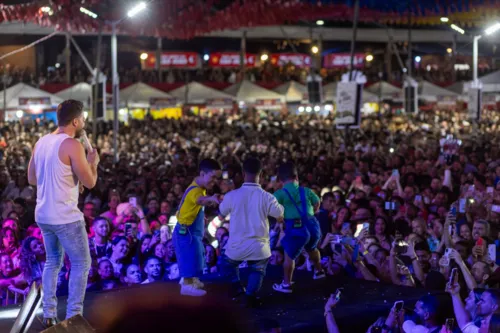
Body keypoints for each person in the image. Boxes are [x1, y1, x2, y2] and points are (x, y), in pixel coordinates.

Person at [27, 100, 99, 328]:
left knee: (52, 261)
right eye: (83, 120)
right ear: (75, 121)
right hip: (65, 216)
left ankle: (48, 312)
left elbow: (31, 179)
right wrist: (92, 163)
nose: (84, 124)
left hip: (44, 215)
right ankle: (73, 316)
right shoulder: (72, 145)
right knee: (81, 263)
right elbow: (90, 182)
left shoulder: (41, 142)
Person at [219, 157, 284, 306]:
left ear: (243, 173)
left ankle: (237, 288)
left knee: (226, 264)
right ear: (260, 174)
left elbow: (221, 213)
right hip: (259, 248)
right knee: (258, 269)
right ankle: (250, 295)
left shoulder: (231, 196)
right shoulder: (267, 197)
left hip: (236, 247)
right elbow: (279, 214)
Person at [272, 162, 325, 293]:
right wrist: (313, 212)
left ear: (280, 180)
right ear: (297, 178)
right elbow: (317, 203)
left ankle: (286, 284)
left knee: (289, 256)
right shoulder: (306, 190)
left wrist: (280, 218)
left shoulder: (280, 193)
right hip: (313, 225)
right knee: (312, 248)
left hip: (296, 227)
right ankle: (319, 271)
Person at [173, 158, 221, 296]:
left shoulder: (201, 188)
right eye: (212, 178)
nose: (214, 182)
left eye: (216, 179)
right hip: (185, 232)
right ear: (202, 174)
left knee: (195, 255)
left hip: (191, 231)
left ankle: (192, 280)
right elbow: (200, 200)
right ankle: (187, 286)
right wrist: (211, 199)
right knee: (188, 256)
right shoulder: (196, 191)